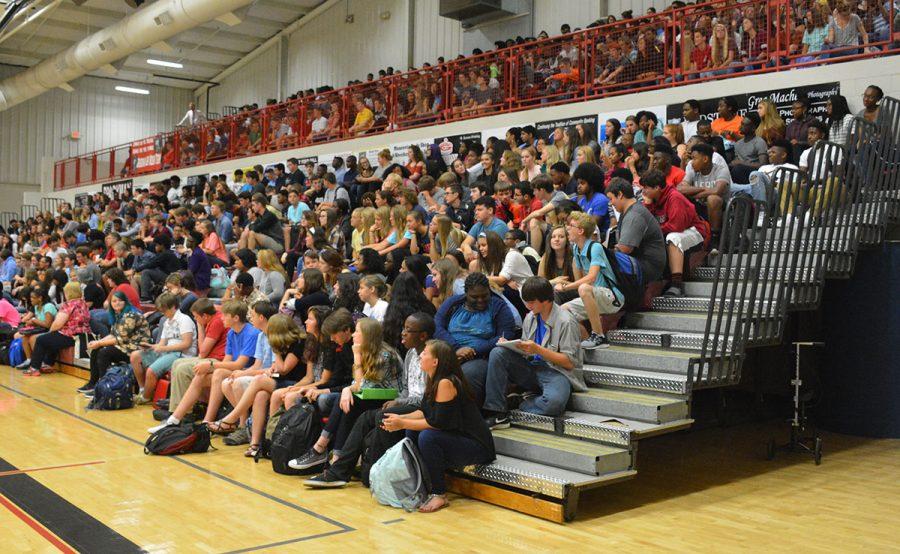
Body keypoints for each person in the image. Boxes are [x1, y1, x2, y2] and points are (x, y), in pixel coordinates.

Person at [303, 313, 435, 488]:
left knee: (355, 405)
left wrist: (397, 401)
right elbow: (405, 388)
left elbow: (423, 398)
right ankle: (335, 464)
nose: (402, 333)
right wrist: (347, 390)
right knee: (349, 404)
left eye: (408, 330)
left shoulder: (390, 355)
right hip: (397, 400)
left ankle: (333, 461)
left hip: (408, 403)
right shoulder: (411, 354)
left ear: (423, 335)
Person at [379, 339, 496, 513]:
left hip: (477, 446)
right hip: (457, 438)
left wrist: (402, 422)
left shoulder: (446, 383)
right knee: (413, 429)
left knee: (428, 436)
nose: (421, 355)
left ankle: (439, 494)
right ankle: (422, 485)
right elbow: (424, 412)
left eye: (425, 353)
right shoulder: (433, 379)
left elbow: (438, 423)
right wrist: (400, 417)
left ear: (436, 361)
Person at [287, 317, 403, 472]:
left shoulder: (385, 355)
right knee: (344, 402)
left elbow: (360, 386)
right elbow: (359, 386)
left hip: (391, 399)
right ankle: (333, 457)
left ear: (368, 334)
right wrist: (348, 390)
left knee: (348, 400)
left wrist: (356, 357)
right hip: (371, 395)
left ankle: (322, 450)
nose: (354, 335)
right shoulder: (369, 350)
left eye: (357, 331)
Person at [556, 211, 622, 350]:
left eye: (571, 226)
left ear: (580, 231)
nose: (567, 228)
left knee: (584, 288)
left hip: (612, 296)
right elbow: (580, 281)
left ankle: (599, 336)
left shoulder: (595, 247)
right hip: (592, 294)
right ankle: (586, 339)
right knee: (562, 310)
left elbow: (591, 277)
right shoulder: (576, 249)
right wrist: (564, 284)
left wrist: (567, 288)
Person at [640, 169, 710, 297]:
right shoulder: (653, 200)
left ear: (657, 187)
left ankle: (677, 284)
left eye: (646, 188)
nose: (643, 191)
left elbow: (676, 226)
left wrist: (653, 232)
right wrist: (648, 206)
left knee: (673, 237)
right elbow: (645, 224)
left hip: (695, 231)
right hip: (676, 231)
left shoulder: (674, 197)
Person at [435, 271, 516, 379]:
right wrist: (457, 350)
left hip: (482, 356)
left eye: (484, 295)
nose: (480, 300)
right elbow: (437, 326)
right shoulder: (453, 303)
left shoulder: (498, 306)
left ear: (489, 291)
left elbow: (506, 335)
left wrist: (472, 352)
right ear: (466, 293)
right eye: (474, 297)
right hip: (451, 352)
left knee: (467, 373)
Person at [158, 298, 228, 423]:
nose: (195, 320)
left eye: (196, 317)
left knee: (183, 369)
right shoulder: (212, 316)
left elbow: (202, 352)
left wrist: (200, 327)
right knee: (176, 363)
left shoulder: (216, 322)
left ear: (205, 316)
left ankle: (186, 413)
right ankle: (176, 409)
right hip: (210, 357)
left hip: (218, 360)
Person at [131, 292, 197, 405]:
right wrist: (152, 347)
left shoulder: (184, 320)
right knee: (135, 356)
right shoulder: (167, 322)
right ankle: (142, 389)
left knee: (151, 371)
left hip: (181, 354)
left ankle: (146, 398)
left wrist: (164, 348)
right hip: (168, 351)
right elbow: (162, 343)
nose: (162, 313)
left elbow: (186, 344)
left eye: (164, 310)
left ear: (173, 307)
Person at [84, 291, 151, 394]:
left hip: (137, 348)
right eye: (114, 301)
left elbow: (120, 339)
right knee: (96, 350)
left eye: (120, 300)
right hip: (125, 345)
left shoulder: (130, 315)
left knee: (104, 353)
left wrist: (99, 343)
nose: (117, 303)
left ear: (125, 302)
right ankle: (93, 384)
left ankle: (104, 387)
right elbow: (113, 334)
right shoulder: (117, 314)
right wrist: (98, 342)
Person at [22, 282, 90, 377]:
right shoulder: (83, 303)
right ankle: (48, 364)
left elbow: (57, 324)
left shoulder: (69, 305)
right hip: (82, 335)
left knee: (42, 339)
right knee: (51, 338)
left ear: (68, 293)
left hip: (70, 336)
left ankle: (34, 368)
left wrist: (50, 332)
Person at [607, 178, 666, 282]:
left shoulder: (634, 214)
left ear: (620, 194)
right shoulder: (628, 211)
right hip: (640, 262)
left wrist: (601, 253)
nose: (610, 203)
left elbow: (624, 249)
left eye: (611, 199)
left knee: (604, 261)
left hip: (648, 267)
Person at [677, 142, 731, 243]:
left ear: (705, 159)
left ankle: (714, 238)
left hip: (720, 208)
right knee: (680, 197)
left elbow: (717, 191)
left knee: (713, 199)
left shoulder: (721, 169)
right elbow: (680, 189)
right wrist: (701, 189)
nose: (692, 162)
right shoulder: (692, 168)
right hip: (699, 206)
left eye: (694, 158)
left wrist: (693, 193)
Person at [13, 287, 57, 369]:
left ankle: (40, 362)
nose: (31, 299)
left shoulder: (48, 306)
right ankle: (29, 359)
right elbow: (39, 322)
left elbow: (48, 325)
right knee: (25, 337)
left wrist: (33, 320)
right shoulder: (37, 307)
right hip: (42, 329)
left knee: (33, 338)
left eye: (33, 297)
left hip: (51, 330)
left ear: (40, 298)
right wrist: (31, 323)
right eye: (30, 297)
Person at [460, 196, 510, 260]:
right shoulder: (478, 225)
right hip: (484, 258)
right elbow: (464, 244)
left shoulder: (500, 226)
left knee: (473, 264)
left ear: (490, 210)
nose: (476, 213)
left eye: (480, 210)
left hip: (498, 261)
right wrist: (467, 248)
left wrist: (472, 254)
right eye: (476, 210)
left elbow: (490, 251)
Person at [731, 113, 770, 183]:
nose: (740, 127)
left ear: (753, 128)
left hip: (753, 174)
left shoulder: (759, 142)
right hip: (738, 172)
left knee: (738, 169)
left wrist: (741, 163)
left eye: (744, 125)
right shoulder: (737, 144)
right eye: (741, 123)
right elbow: (736, 161)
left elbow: (763, 165)